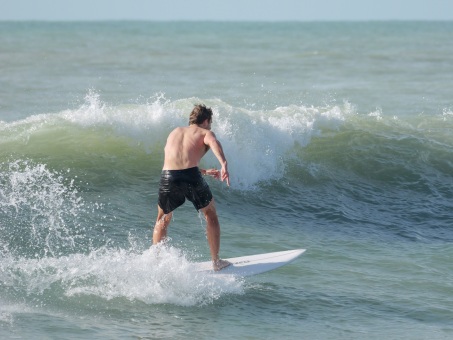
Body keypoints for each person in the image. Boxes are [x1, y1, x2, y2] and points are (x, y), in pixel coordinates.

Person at [152, 104, 231, 271]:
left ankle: (156, 264)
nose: (210, 126)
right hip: (191, 176)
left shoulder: (174, 132)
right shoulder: (205, 132)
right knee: (210, 214)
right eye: (210, 123)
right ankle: (216, 262)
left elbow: (177, 164)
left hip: (168, 176)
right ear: (206, 120)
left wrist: (204, 171)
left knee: (162, 219)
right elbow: (213, 142)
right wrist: (223, 163)